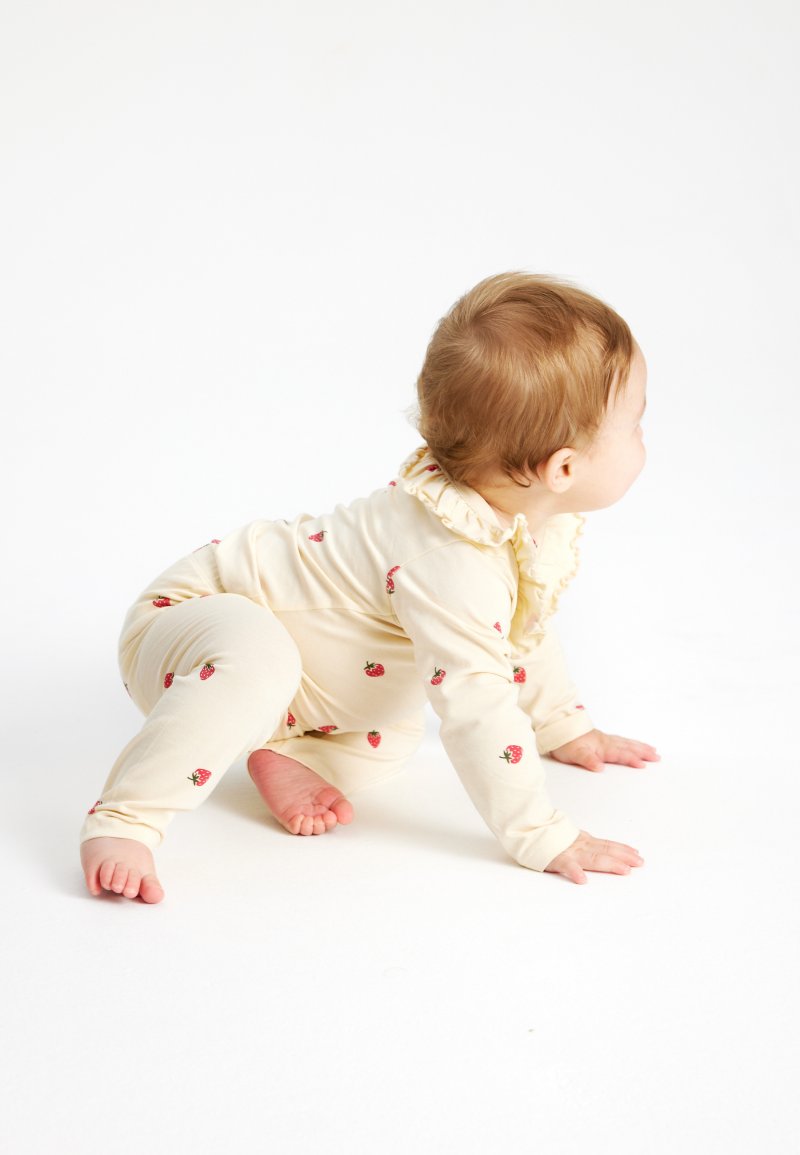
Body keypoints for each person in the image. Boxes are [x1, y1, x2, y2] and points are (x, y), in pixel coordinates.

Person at [80, 271, 659, 904]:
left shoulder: (517, 521)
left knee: (395, 721)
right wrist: (541, 835)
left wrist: (562, 726)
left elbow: (518, 633)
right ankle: (125, 819)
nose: (644, 436)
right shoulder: (450, 559)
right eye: (636, 423)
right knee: (263, 660)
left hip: (305, 686)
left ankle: (299, 758)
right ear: (563, 467)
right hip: (191, 622)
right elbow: (479, 709)